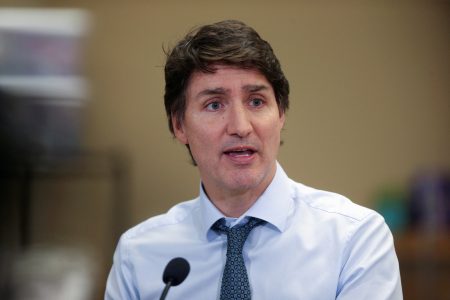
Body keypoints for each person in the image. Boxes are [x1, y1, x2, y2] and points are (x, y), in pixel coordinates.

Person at [105, 20, 403, 299]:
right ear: (179, 125)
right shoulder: (139, 254)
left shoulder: (355, 239)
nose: (240, 126)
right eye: (214, 104)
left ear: (281, 113)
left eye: (256, 102)